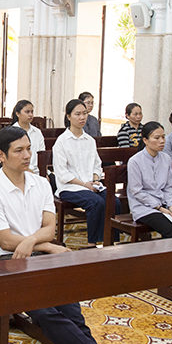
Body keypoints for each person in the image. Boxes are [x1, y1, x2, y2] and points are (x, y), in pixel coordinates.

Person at [0, 126, 140, 344]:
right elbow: (5, 242)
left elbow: (50, 228)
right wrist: (40, 243)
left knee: (71, 308)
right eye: (19, 150)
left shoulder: (40, 183)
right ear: (2, 156)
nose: (27, 155)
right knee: (43, 311)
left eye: (29, 148)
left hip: (39, 255)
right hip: (7, 262)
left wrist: (34, 243)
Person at [53, 99, 120, 246]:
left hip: (91, 185)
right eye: (77, 114)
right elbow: (62, 173)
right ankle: (92, 244)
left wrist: (96, 179)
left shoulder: (89, 140)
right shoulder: (62, 141)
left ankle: (110, 240)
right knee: (95, 202)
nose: (82, 117)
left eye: (84, 113)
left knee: (114, 201)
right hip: (70, 187)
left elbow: (97, 164)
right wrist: (85, 184)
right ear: (68, 116)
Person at [127, 122, 172, 241]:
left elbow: (168, 186)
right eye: (157, 138)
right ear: (145, 140)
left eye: (163, 137)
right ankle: (165, 259)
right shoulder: (135, 161)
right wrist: (158, 207)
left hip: (165, 204)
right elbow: (136, 191)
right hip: (144, 207)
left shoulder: (166, 158)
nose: (162, 141)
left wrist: (171, 205)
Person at [11, 99, 45, 175]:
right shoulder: (11, 132)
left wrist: (44, 173)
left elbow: (42, 154)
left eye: (32, 112)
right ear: (18, 114)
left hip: (37, 171)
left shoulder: (37, 132)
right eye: (27, 112)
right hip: (19, 171)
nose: (30, 115)